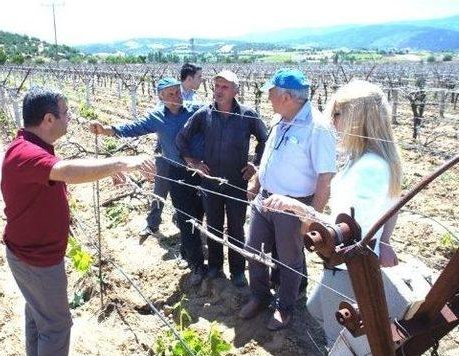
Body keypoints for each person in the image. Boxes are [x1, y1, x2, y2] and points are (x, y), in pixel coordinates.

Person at [1, 86, 154, 356]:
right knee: (57, 328)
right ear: (49, 119)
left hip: (29, 253)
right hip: (37, 259)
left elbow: (55, 178)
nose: (69, 117)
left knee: (39, 318)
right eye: (65, 113)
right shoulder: (27, 153)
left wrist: (104, 172)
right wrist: (119, 163)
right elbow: (66, 171)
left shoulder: (29, 147)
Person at [263, 80, 402, 346]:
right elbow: (392, 206)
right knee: (317, 310)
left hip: (351, 266)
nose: (333, 121)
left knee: (340, 337)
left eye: (338, 114)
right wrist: (384, 241)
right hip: (352, 262)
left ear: (357, 118)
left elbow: (349, 233)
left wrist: (299, 208)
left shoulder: (370, 168)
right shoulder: (371, 159)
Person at [239, 69, 336, 331]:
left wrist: (310, 217)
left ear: (286, 96)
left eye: (271, 93)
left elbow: (324, 180)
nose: (267, 97)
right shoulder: (279, 119)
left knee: (288, 259)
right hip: (265, 199)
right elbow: (270, 155)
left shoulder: (318, 128)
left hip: (293, 205)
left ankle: (285, 308)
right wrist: (258, 181)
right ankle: (259, 296)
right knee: (253, 249)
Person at [88, 78, 208, 286]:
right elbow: (132, 128)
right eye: (170, 94)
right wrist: (105, 130)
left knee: (198, 214)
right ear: (160, 97)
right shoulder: (156, 117)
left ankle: (187, 250)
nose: (176, 97)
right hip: (177, 172)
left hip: (201, 171)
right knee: (185, 217)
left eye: (177, 93)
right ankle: (196, 265)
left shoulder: (195, 110)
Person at [176, 70, 268, 287]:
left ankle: (237, 271)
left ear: (236, 90)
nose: (218, 90)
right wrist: (194, 163)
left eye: (224, 86)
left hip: (237, 182)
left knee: (236, 227)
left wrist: (254, 163)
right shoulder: (203, 115)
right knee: (214, 225)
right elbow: (182, 139)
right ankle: (215, 266)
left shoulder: (247, 115)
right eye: (216, 86)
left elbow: (265, 140)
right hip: (210, 182)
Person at [139, 63, 203, 239]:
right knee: (160, 188)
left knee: (185, 191)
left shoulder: (194, 99)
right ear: (189, 79)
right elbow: (158, 119)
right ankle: (152, 224)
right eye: (199, 77)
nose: (201, 80)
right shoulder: (170, 91)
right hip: (166, 153)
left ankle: (181, 221)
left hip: (188, 157)